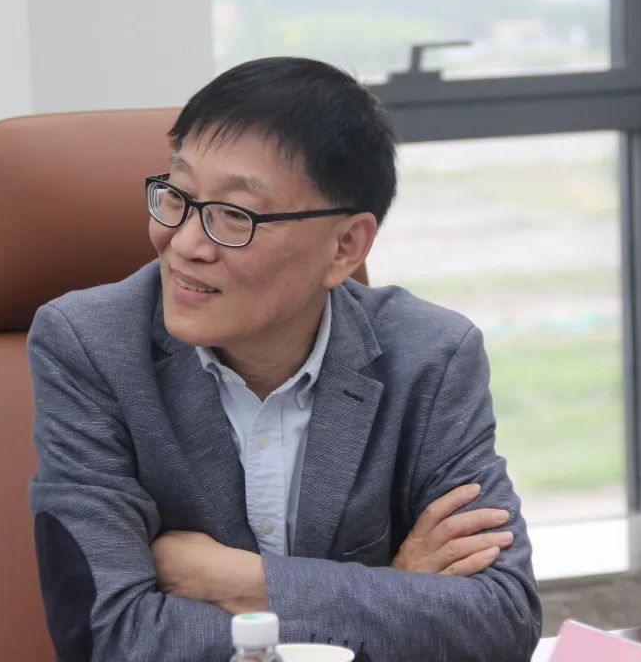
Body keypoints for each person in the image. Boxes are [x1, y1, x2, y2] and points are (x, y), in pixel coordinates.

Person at [27, 56, 541, 662]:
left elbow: (502, 619)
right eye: (178, 195)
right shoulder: (90, 346)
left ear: (345, 246)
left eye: (233, 215)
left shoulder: (430, 357)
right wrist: (392, 590)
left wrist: (244, 582)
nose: (185, 243)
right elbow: (107, 636)